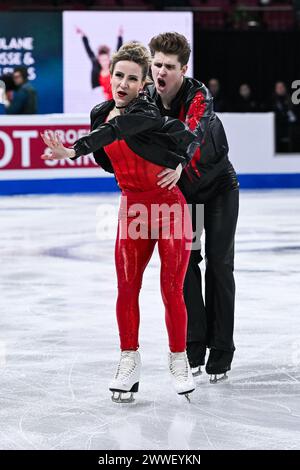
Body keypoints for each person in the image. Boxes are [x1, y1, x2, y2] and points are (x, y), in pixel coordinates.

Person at [40, 42, 196, 403]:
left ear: (143, 85)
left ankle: (179, 358)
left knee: (171, 289)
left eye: (132, 78)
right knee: (126, 288)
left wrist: (180, 162)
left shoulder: (144, 111)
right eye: (118, 76)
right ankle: (129, 359)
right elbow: (108, 157)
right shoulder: (100, 112)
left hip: (170, 208)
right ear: (109, 78)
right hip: (133, 210)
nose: (123, 83)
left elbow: (118, 134)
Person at [147, 32, 239, 383]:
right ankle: (194, 347)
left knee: (219, 265)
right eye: (156, 65)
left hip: (218, 189)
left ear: (183, 69)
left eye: (169, 67)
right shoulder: (146, 98)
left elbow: (195, 131)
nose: (161, 72)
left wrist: (180, 160)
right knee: (185, 268)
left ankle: (222, 350)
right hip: (182, 195)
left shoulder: (199, 95)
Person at [76, 26, 123, 100]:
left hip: (115, 98)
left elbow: (118, 51)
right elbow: (88, 50)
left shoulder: (113, 66)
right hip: (103, 99)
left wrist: (120, 36)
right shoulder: (96, 65)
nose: (104, 62)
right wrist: (83, 35)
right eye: (102, 60)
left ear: (109, 59)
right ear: (99, 60)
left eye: (106, 60)